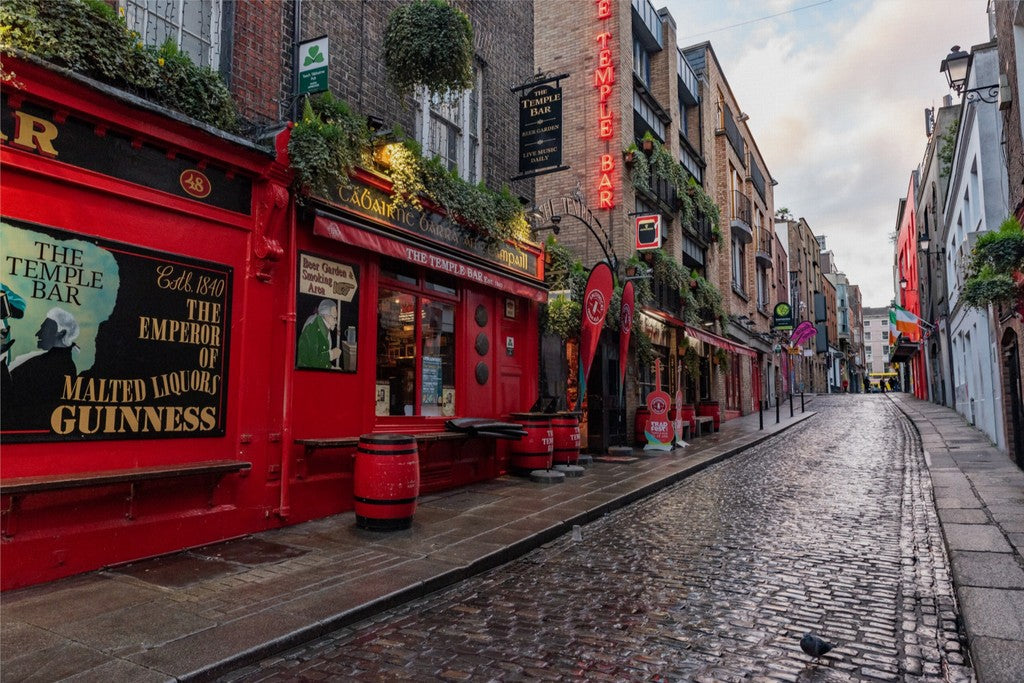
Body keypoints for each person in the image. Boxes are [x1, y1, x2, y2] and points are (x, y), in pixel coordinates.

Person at [7, 307, 79, 430]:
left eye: (44, 328)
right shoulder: (52, 363)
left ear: (61, 333)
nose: (38, 333)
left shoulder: (54, 367)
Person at [297, 299, 341, 369]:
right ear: (326, 316)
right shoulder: (312, 329)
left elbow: (322, 356)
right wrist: (331, 355)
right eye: (334, 318)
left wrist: (331, 367)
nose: (336, 322)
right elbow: (313, 360)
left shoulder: (324, 327)